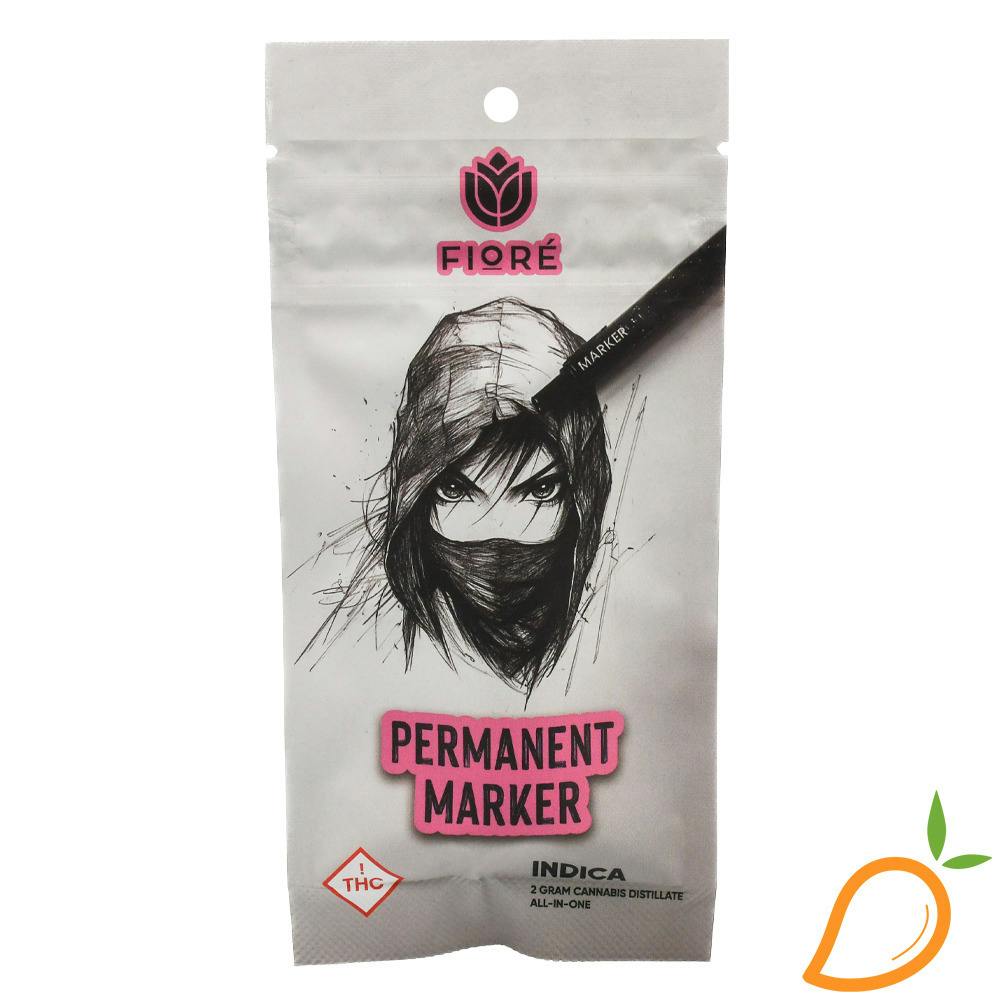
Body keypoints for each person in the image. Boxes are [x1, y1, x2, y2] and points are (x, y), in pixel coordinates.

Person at [299, 298, 612, 696]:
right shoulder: (350, 652)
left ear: (583, 493)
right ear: (416, 494)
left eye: (540, 490)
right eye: (456, 491)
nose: (497, 529)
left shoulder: (615, 642)